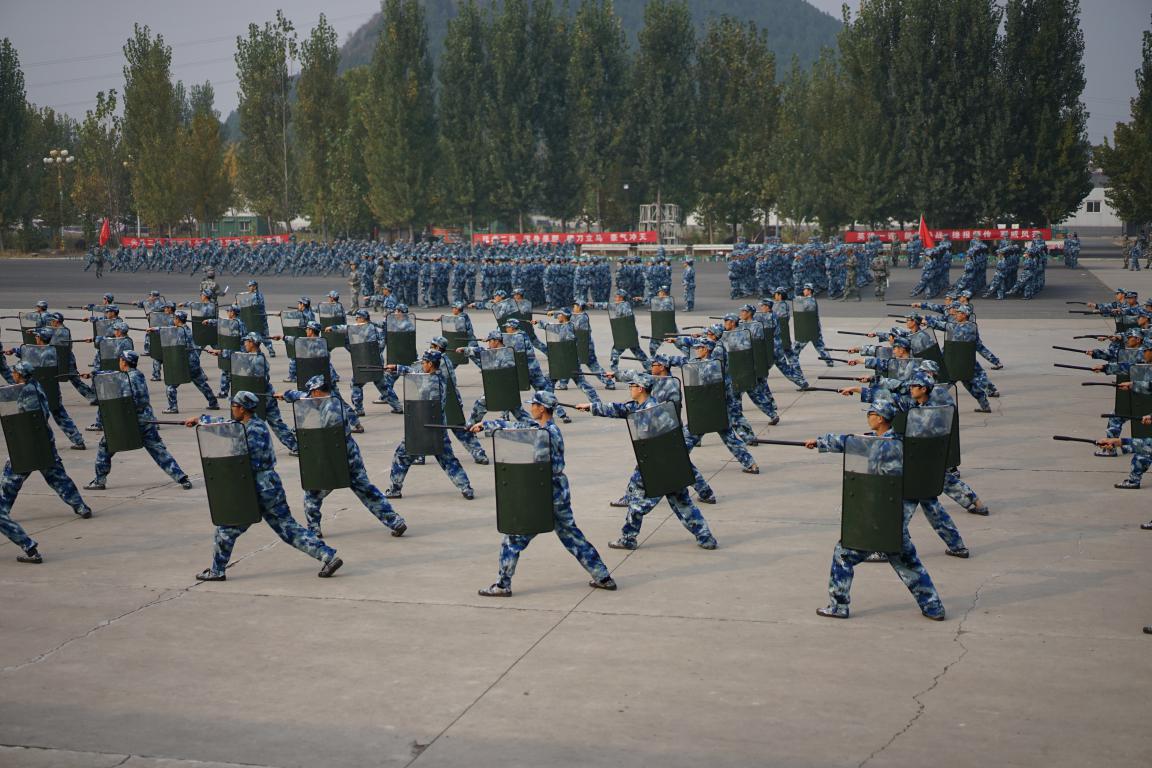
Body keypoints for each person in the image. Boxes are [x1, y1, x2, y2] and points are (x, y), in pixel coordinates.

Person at [804, 399, 946, 621]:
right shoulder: (898, 441)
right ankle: (933, 607)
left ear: (880, 419)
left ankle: (839, 606)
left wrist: (821, 442)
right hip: (894, 519)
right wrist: (822, 442)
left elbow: (853, 442)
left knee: (843, 555)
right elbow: (855, 440)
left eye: (870, 414)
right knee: (909, 565)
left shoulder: (880, 446)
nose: (868, 417)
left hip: (877, 518)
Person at [471, 390, 617, 597]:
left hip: (542, 492)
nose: (531, 408)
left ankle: (502, 585)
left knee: (513, 538)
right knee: (572, 535)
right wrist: (486, 425)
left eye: (534, 405)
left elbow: (520, 433)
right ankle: (603, 576)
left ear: (542, 408)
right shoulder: (547, 429)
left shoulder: (544, 434)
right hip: (558, 492)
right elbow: (519, 426)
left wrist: (489, 427)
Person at [186, 391, 343, 581]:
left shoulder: (252, 430)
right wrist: (201, 420)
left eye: (234, 406)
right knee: (288, 528)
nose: (232, 410)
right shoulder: (251, 424)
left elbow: (247, 459)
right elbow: (227, 426)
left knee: (226, 529)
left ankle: (217, 571)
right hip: (270, 486)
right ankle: (328, 556)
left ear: (242, 409)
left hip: (256, 487)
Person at [575, 373, 719, 551]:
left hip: (657, 465)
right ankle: (705, 537)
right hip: (662, 464)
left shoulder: (654, 411)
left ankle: (628, 539)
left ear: (641, 389)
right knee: (683, 503)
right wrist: (590, 407)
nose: (630, 389)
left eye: (632, 386)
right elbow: (617, 409)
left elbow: (671, 441)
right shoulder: (640, 406)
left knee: (637, 504)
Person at [281, 377, 407, 538]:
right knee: (367, 491)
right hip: (351, 455)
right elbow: (303, 397)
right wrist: (286, 395)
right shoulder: (331, 399)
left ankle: (313, 529)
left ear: (317, 392)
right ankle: (395, 521)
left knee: (313, 492)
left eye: (312, 393)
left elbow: (321, 439)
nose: (310, 396)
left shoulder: (332, 411)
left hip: (336, 456)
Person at [1, 363, 94, 534]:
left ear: (20, 375)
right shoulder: (35, 385)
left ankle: (2, 511)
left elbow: (24, 419)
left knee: (10, 480)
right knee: (59, 478)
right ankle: (81, 506)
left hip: (27, 442)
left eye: (15, 372)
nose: (12, 374)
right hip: (44, 441)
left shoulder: (26, 392)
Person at [84, 350, 193, 491]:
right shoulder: (138, 374)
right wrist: (93, 374)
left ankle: (99, 481)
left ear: (124, 362)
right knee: (159, 451)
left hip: (129, 421)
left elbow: (121, 399)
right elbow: (114, 374)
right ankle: (182, 478)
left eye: (120, 359)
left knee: (105, 447)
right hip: (147, 420)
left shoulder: (124, 380)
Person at [383, 351, 475, 500]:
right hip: (438, 427)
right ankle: (466, 487)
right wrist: (397, 367)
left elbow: (416, 376)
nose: (422, 365)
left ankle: (394, 489)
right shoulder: (439, 377)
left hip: (420, 427)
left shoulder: (428, 384)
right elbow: (416, 373)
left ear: (430, 364)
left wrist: (399, 370)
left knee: (402, 456)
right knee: (448, 460)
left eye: (424, 362)